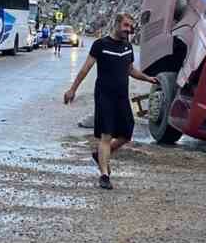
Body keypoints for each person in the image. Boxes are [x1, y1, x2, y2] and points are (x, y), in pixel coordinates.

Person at [64, 12, 158, 190]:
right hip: (104, 96)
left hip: (121, 97)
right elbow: (85, 69)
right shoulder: (100, 45)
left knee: (126, 133)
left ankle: (99, 155)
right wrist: (72, 89)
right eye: (126, 26)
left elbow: (130, 70)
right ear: (116, 24)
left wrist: (148, 78)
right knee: (106, 135)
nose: (128, 30)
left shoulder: (128, 47)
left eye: (130, 27)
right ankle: (104, 175)